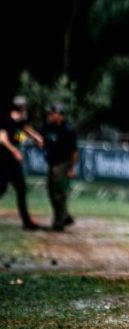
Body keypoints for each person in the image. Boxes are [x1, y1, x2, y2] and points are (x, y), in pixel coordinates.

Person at [0, 96, 43, 230]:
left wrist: (34, 137)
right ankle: (27, 221)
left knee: (21, 190)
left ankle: (27, 222)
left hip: (13, 164)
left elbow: (19, 136)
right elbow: (2, 139)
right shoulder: (5, 120)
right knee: (1, 189)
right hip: (3, 162)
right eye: (25, 107)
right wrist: (15, 151)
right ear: (20, 107)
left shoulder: (20, 123)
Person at [38, 103, 78, 232]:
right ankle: (65, 216)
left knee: (59, 191)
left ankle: (59, 222)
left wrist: (72, 169)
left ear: (59, 115)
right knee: (51, 191)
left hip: (63, 163)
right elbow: (37, 137)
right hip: (52, 163)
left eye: (52, 113)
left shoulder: (68, 130)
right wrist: (17, 137)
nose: (49, 115)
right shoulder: (47, 127)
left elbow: (74, 152)